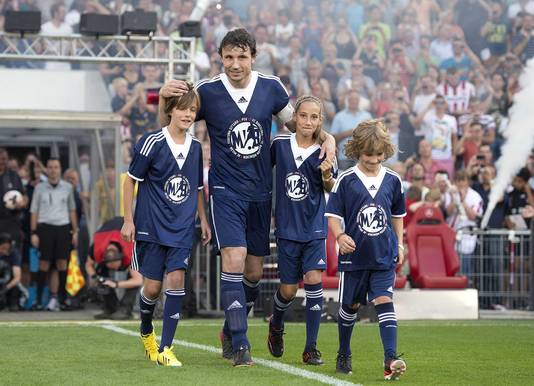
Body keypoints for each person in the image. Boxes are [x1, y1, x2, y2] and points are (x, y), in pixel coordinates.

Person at [158, 28, 335, 366]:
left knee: (253, 273)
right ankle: (240, 344)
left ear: (253, 57)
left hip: (260, 194)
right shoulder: (207, 92)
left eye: (241, 57)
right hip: (225, 191)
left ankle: (229, 328)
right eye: (228, 57)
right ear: (220, 58)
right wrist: (165, 99)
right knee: (234, 259)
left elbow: (301, 128)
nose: (235, 64)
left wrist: (329, 140)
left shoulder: (271, 88)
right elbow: (173, 123)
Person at [121, 83, 211, 367]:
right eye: (183, 108)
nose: (188, 114)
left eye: (193, 110)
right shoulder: (152, 142)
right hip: (151, 226)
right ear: (170, 110)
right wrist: (127, 220)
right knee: (152, 288)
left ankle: (166, 349)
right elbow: (129, 182)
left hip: (182, 228)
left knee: (176, 281)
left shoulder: (196, 147)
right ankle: (146, 330)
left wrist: (204, 219)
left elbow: (197, 187)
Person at [325, 119, 406, 380]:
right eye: (368, 155)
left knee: (385, 301)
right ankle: (344, 352)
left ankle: (390, 359)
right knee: (351, 306)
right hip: (354, 258)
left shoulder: (393, 180)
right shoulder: (346, 180)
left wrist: (400, 243)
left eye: (379, 155)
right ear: (357, 150)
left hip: (383, 255)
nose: (373, 160)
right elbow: (333, 214)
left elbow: (397, 215)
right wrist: (339, 235)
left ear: (386, 152)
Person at [267, 95, 337, 365]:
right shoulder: (280, 145)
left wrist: (326, 175)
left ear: (321, 121)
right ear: (294, 117)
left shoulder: (326, 152)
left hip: (314, 229)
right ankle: (276, 323)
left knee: (313, 280)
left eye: (314, 117)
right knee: (287, 290)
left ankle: (311, 348)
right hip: (286, 229)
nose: (308, 121)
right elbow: (262, 171)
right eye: (304, 115)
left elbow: (332, 188)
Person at [30, 158, 78, 311]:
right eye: (50, 167)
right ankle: (38, 300)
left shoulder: (68, 188)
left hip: (63, 228)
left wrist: (75, 231)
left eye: (56, 167)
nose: (52, 170)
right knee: (44, 263)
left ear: (60, 169)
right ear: (47, 169)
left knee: (62, 263)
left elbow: (72, 210)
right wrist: (33, 232)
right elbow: (34, 211)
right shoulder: (39, 188)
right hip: (45, 227)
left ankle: (63, 300)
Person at [86, 240, 142, 320]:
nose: (115, 269)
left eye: (116, 266)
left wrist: (116, 284)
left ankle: (124, 310)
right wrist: (95, 277)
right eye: (111, 266)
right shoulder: (96, 249)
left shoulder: (130, 253)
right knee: (102, 283)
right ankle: (110, 309)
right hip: (104, 258)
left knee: (133, 283)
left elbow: (138, 281)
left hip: (128, 260)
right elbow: (88, 265)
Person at [0, 148, 27, 249]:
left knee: (13, 254)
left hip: (12, 222)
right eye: (0, 159)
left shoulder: (14, 176)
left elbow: (24, 195)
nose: (1, 161)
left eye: (4, 159)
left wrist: (23, 202)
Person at [0, 233, 22, 311]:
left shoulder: (14, 253)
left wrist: (5, 289)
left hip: (8, 283)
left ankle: (13, 303)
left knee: (16, 286)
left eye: (7, 248)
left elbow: (17, 277)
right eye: (3, 248)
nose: (4, 251)